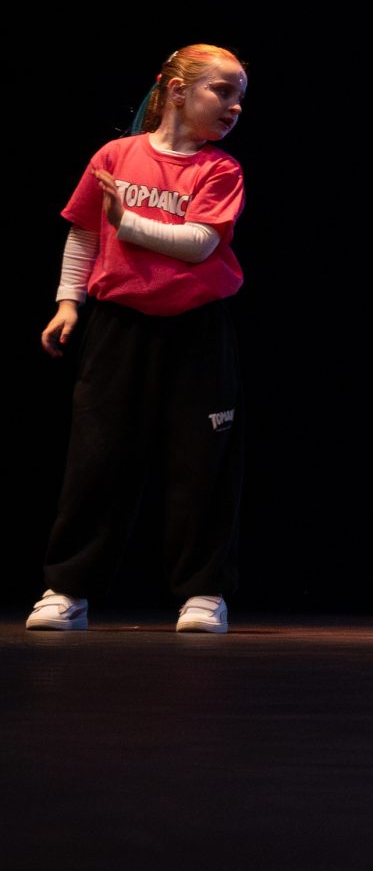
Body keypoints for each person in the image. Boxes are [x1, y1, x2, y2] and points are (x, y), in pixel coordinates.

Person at [29, 45, 251, 634]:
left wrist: (127, 222)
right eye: (222, 91)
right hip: (119, 327)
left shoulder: (220, 170)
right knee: (97, 457)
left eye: (240, 98)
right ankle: (67, 588)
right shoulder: (115, 156)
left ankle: (203, 593)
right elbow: (84, 232)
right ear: (177, 90)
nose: (234, 107)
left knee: (200, 462)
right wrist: (68, 301)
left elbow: (200, 244)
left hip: (197, 330)